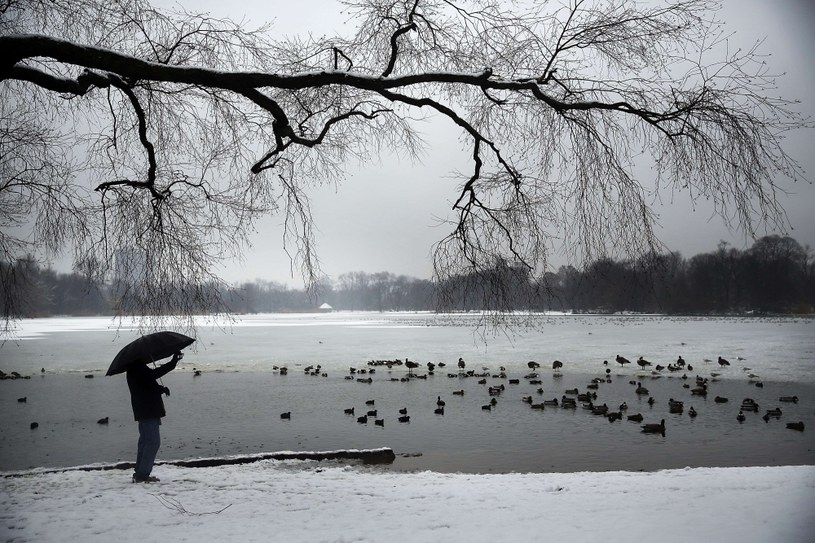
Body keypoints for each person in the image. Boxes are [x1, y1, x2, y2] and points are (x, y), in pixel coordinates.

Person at [126, 352, 182, 483]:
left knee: (145, 442)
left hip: (145, 411)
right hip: (147, 411)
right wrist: (173, 363)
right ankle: (142, 475)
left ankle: (139, 473)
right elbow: (151, 377)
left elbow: (147, 385)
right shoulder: (137, 367)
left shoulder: (135, 368)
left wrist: (160, 389)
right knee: (152, 442)